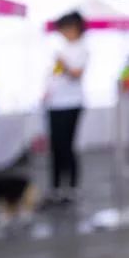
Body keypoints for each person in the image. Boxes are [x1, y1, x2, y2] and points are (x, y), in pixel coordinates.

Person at [44, 11, 89, 205]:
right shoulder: (60, 48)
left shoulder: (82, 48)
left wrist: (63, 64)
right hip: (54, 103)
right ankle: (55, 187)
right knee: (55, 146)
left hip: (71, 103)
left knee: (67, 145)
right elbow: (53, 75)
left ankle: (71, 186)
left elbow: (76, 73)